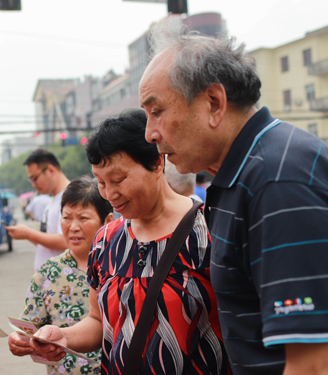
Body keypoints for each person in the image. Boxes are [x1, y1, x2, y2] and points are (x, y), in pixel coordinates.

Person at [139, 21, 328, 375]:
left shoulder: (276, 180)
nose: (150, 132)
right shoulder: (244, 174)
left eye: (157, 111)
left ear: (214, 102)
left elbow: (313, 364)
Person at [32, 110, 229, 374]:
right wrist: (64, 337)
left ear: (157, 162)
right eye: (101, 182)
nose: (109, 194)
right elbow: (97, 320)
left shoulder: (211, 230)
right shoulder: (105, 240)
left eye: (119, 179)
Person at [8, 176, 111, 375]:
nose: (73, 227)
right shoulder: (48, 273)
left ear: (107, 221)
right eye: (66, 217)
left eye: (83, 218)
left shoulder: (120, 268)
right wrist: (17, 340)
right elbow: (29, 329)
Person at [7, 149, 70, 270]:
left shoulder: (71, 198)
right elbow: (48, 240)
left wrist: (29, 233)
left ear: (51, 170)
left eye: (34, 178)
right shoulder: (52, 200)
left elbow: (66, 241)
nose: (33, 184)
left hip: (60, 282)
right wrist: (27, 235)